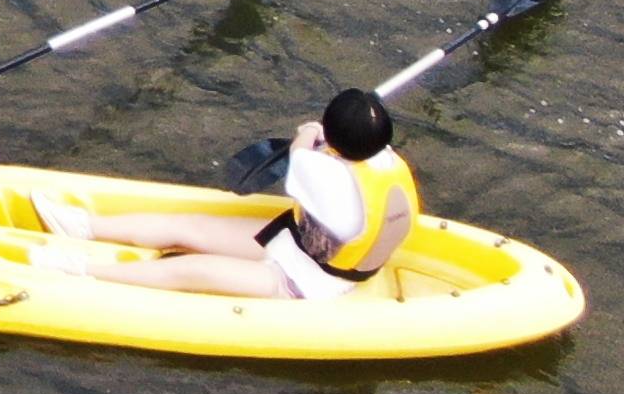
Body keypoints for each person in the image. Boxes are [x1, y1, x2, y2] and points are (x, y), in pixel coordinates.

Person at [32, 87, 417, 300]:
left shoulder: (318, 169)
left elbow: (301, 153)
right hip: (298, 245)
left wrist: (309, 131)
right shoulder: (388, 162)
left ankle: (81, 269)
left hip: (312, 283)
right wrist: (326, 138)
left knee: (187, 269)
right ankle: (81, 225)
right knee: (192, 228)